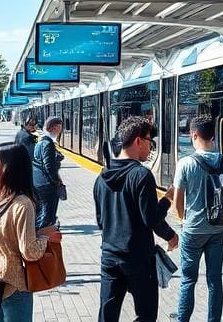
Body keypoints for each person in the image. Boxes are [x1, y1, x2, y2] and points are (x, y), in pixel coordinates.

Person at [94, 116, 178, 322]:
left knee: (107, 313)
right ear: (138, 141)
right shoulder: (141, 175)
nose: (151, 148)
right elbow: (151, 218)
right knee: (146, 314)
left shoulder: (101, 177)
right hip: (138, 258)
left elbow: (100, 221)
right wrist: (167, 203)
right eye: (150, 141)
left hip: (109, 256)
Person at [0, 142, 58, 322]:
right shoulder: (23, 204)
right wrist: (45, 236)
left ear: (9, 167)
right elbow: (30, 252)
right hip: (14, 286)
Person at [173, 116, 223, 322]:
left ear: (194, 135)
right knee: (215, 281)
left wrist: (183, 219)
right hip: (218, 229)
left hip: (193, 230)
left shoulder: (185, 163)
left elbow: (178, 202)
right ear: (213, 136)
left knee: (188, 280)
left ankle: (182, 320)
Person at [33, 116, 65, 228]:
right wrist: (56, 181)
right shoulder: (48, 144)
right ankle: (42, 238)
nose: (60, 130)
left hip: (38, 182)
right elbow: (48, 166)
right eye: (60, 127)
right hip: (46, 184)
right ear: (55, 127)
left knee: (42, 211)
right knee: (47, 214)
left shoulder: (40, 142)